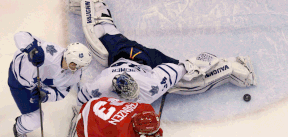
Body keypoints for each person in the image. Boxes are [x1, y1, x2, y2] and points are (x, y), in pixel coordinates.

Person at [69, 0, 256, 106]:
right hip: (130, 56)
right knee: (103, 32)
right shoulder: (107, 84)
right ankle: (92, 4)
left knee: (189, 81)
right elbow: (83, 97)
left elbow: (178, 69)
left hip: (146, 60)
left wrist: (191, 65)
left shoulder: (150, 87)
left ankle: (230, 66)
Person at [8, 31, 92, 137]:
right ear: (69, 58)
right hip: (17, 80)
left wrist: (46, 95)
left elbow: (61, 92)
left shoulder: (74, 76)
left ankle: (19, 128)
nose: (78, 69)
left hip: (32, 90)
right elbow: (20, 35)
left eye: (81, 66)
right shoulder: (48, 51)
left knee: (36, 120)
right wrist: (31, 49)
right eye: (76, 65)